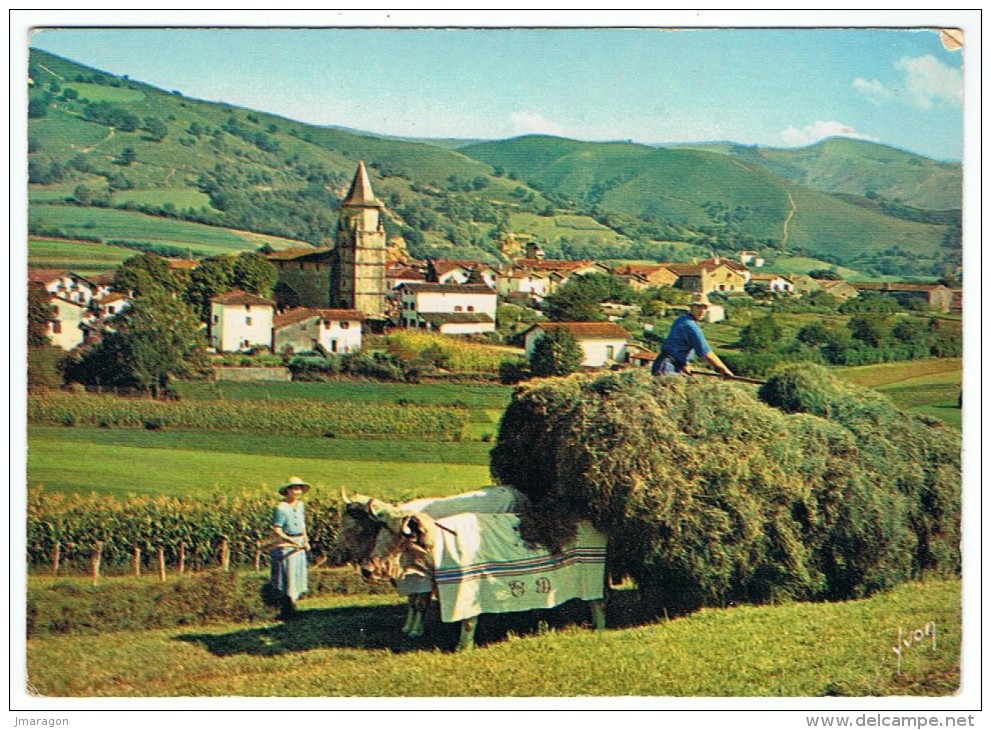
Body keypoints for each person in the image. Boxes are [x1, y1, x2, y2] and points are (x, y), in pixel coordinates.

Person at [651, 292, 734, 378]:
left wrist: (684, 365)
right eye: (698, 307)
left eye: (705, 307)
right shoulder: (690, 326)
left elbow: (678, 346)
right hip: (667, 367)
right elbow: (706, 353)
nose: (702, 311)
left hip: (669, 365)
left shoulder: (681, 319)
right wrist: (725, 370)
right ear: (691, 307)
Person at [270, 476, 311, 619]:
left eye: (299, 489)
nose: (298, 492)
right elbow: (277, 529)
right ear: (287, 491)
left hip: (299, 543)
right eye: (295, 488)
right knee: (288, 576)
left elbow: (302, 524)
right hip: (286, 545)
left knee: (297, 575)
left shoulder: (300, 505)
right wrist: (291, 541)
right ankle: (288, 608)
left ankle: (293, 605)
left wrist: (305, 540)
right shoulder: (281, 509)